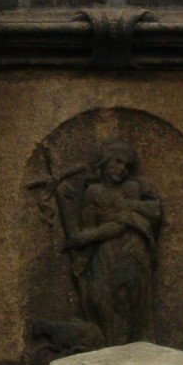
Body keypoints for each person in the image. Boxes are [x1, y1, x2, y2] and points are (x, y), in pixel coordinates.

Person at [65, 141, 162, 347]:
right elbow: (89, 226)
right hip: (104, 254)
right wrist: (83, 259)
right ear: (106, 161)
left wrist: (86, 238)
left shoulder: (131, 188)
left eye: (126, 166)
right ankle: (108, 347)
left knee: (126, 302)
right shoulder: (93, 192)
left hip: (130, 251)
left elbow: (120, 224)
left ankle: (128, 349)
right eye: (118, 162)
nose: (122, 169)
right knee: (99, 299)